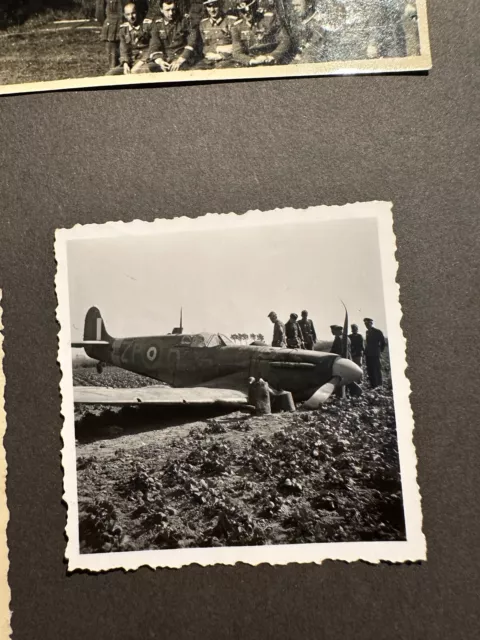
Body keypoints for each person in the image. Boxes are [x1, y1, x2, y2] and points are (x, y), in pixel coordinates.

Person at [231, 0, 291, 67]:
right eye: (243, 12)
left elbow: (285, 41)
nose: (247, 15)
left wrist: (271, 56)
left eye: (249, 11)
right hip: (251, 65)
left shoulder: (269, 20)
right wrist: (250, 60)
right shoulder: (237, 27)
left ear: (255, 8)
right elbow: (236, 52)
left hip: (271, 63)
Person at [148, 0, 199, 71]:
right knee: (152, 68)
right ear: (161, 10)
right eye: (167, 10)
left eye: (173, 9)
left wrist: (180, 60)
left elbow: (192, 42)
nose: (171, 13)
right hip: (166, 59)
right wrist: (160, 61)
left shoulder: (185, 21)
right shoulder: (157, 24)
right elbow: (154, 45)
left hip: (182, 57)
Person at [106, 3, 154, 74]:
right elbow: (124, 50)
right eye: (128, 14)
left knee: (139, 72)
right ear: (125, 16)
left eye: (133, 13)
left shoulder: (147, 25)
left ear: (137, 12)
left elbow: (153, 47)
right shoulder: (123, 29)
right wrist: (125, 63)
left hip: (146, 61)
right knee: (110, 74)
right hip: (131, 62)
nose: (131, 17)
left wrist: (142, 61)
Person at [197, 0, 237, 68]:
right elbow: (204, 46)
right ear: (206, 8)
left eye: (215, 6)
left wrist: (221, 56)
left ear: (220, 6)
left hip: (229, 59)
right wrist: (217, 49)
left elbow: (238, 45)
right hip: (209, 59)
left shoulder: (231, 21)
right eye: (209, 7)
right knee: (196, 70)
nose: (212, 10)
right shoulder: (203, 24)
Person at [363, 317, 386, 388]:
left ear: (371, 323)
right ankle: (373, 385)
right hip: (368, 354)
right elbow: (368, 343)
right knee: (370, 369)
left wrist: (379, 351)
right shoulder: (367, 332)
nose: (366, 325)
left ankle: (379, 385)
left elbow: (383, 343)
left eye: (368, 323)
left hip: (375, 353)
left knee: (376, 369)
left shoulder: (377, 331)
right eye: (365, 324)